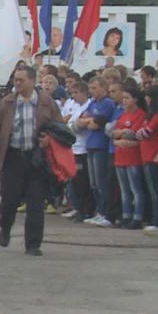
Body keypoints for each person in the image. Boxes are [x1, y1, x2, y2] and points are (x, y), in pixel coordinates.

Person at [0, 64, 59, 255]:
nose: (18, 83)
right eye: (16, 80)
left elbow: (59, 126)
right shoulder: (7, 102)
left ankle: (33, 244)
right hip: (13, 157)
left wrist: (50, 139)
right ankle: (5, 226)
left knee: (36, 202)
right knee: (9, 199)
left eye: (21, 80)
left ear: (32, 81)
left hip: (36, 158)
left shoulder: (46, 102)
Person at [78, 76, 117, 228]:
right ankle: (98, 212)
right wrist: (89, 121)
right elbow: (82, 120)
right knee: (93, 182)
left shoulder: (107, 103)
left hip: (101, 145)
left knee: (102, 182)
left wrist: (89, 121)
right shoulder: (93, 102)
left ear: (103, 87)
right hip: (90, 144)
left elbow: (97, 123)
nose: (91, 91)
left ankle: (105, 213)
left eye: (94, 88)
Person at [110, 84, 147, 229]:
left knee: (135, 188)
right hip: (120, 156)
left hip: (133, 157)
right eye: (123, 98)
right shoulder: (123, 115)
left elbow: (134, 134)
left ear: (135, 100)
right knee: (124, 189)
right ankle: (126, 215)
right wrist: (122, 135)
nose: (124, 101)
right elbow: (113, 133)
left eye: (127, 98)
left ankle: (137, 216)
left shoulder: (140, 114)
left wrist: (122, 133)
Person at [60, 81, 94, 222]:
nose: (74, 96)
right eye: (72, 93)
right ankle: (77, 207)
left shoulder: (89, 105)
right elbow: (68, 123)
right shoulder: (74, 106)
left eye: (76, 93)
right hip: (73, 147)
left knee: (83, 181)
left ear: (84, 92)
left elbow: (80, 125)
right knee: (74, 180)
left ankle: (86, 210)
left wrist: (74, 125)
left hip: (83, 148)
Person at [136, 87, 158, 232]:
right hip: (146, 154)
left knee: (156, 190)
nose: (146, 99)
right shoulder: (151, 113)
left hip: (154, 154)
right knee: (153, 189)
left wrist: (138, 133)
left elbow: (147, 131)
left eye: (148, 96)